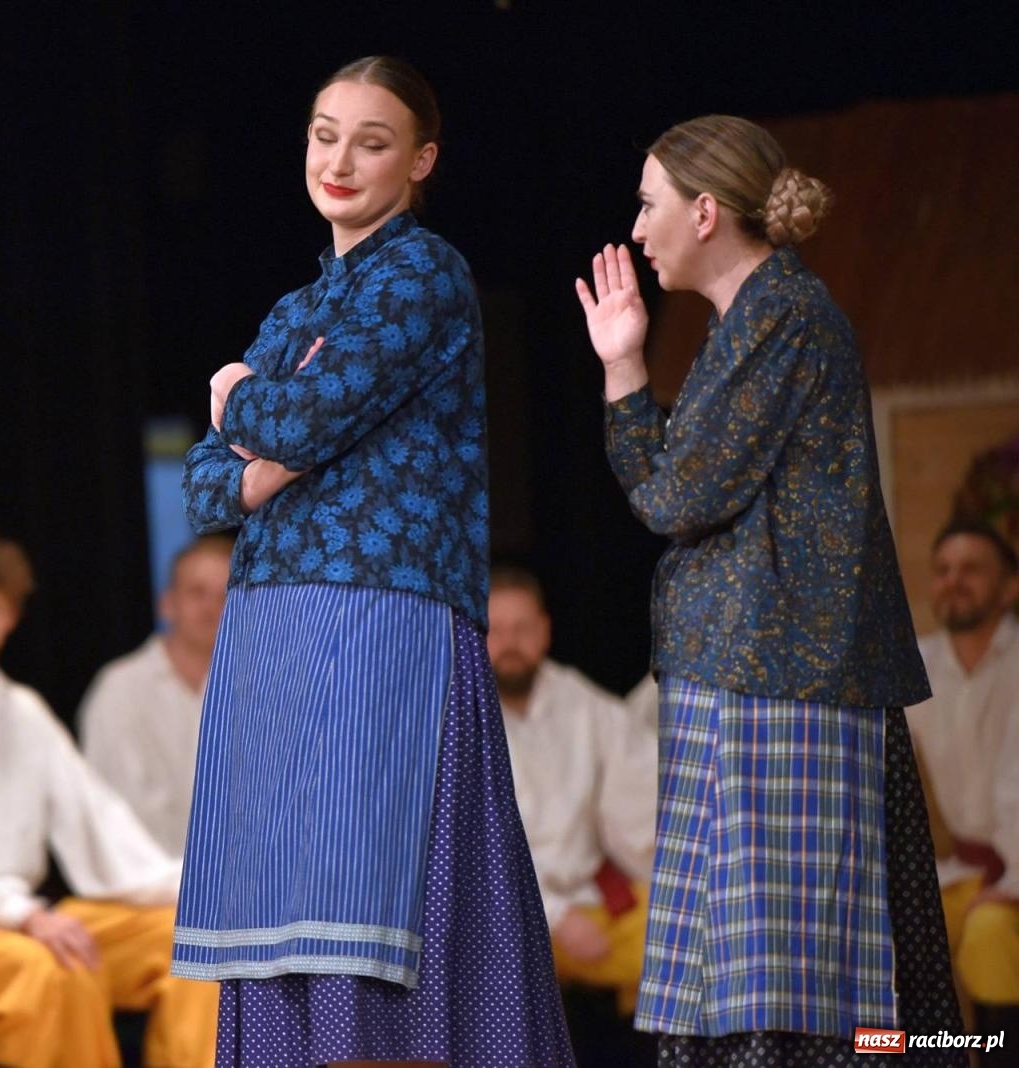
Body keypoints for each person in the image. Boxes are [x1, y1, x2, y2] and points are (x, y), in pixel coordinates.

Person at [178, 55, 573, 1068]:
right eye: (324, 133)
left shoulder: (421, 273)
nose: (339, 160)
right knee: (282, 920)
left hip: (378, 616)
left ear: (420, 158)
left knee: (369, 914)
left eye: (371, 140)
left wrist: (238, 402)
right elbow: (201, 485)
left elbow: (295, 413)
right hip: (272, 625)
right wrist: (259, 460)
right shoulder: (294, 308)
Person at [576, 113, 962, 1063]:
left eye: (649, 203)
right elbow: (679, 486)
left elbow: (673, 494)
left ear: (705, 212)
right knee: (755, 981)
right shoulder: (751, 322)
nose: (636, 226)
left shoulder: (782, 317)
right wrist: (628, 368)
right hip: (766, 676)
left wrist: (624, 371)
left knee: (786, 994)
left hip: (780, 684)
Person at [0, 530, 218, 1068]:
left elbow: (94, 814)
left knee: (194, 939)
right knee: (53, 971)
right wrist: (25, 919)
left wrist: (192, 887)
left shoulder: (23, 710)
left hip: (28, 912)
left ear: (11, 616)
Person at [485, 567, 655, 1015]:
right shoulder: (461, 718)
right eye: (496, 631)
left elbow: (640, 795)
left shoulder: (580, 703)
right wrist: (556, 917)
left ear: (544, 632)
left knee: (688, 944)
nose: (510, 644)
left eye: (522, 629)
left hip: (589, 903)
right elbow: (473, 850)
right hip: (500, 919)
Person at [906, 520, 1019, 1051]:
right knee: (890, 942)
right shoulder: (914, 669)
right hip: (960, 872)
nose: (953, 581)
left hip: (1015, 870)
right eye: (943, 571)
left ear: (1010, 587)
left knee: (990, 936)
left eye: (971, 569)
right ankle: (930, 1056)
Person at [79, 533, 233, 855]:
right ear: (168, 604)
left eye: (225, 595)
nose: (211, 607)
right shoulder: (119, 690)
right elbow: (110, 812)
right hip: (145, 889)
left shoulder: (260, 689)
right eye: (197, 592)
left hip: (237, 888)